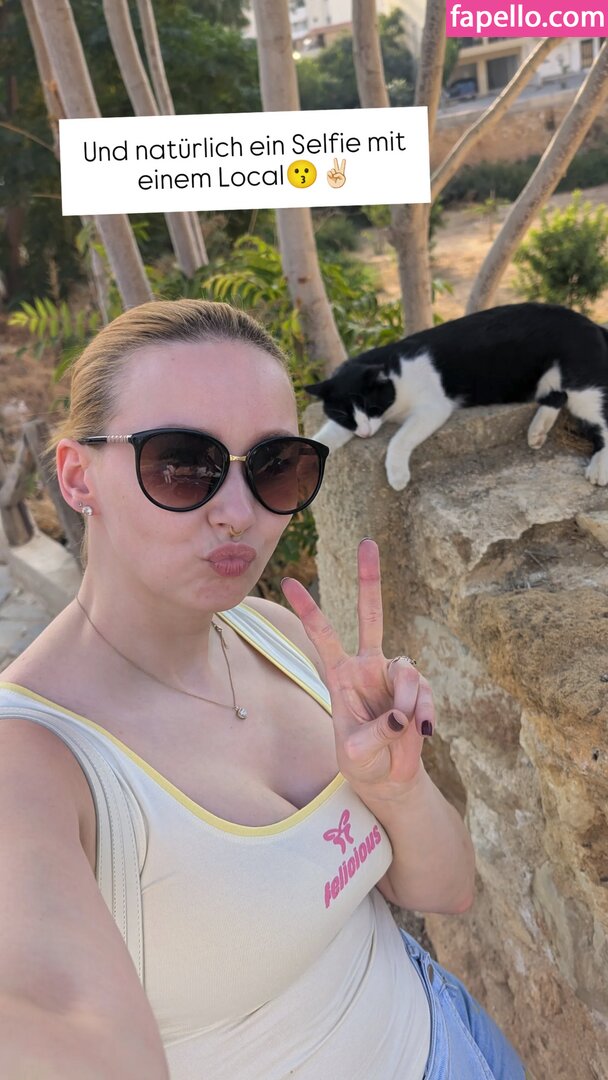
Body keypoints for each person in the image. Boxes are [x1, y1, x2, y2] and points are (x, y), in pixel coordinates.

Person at [0, 299, 526, 1079]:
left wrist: (397, 787)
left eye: (276, 465)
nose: (238, 513)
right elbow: (59, 1019)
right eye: (182, 464)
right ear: (79, 476)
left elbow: (447, 891)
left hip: (454, 1034)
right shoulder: (31, 763)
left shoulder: (274, 635)